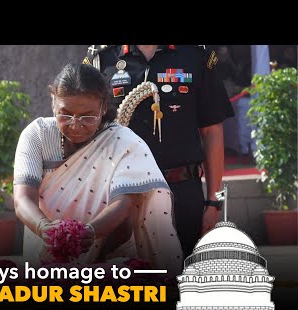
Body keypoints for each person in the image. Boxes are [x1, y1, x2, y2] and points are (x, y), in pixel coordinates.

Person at [13, 63, 183, 275]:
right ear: (53, 102)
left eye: (87, 116)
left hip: (109, 256)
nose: (75, 125)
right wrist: (44, 228)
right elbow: (22, 199)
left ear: (103, 107)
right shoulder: (37, 135)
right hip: (45, 254)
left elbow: (124, 203)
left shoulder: (124, 142)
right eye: (65, 115)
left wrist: (90, 233)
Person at [83, 45, 234, 259]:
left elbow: (212, 131)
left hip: (182, 194)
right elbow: (85, 124)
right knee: (124, 281)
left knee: (180, 281)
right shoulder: (101, 58)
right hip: (119, 196)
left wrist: (214, 203)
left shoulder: (196, 55)